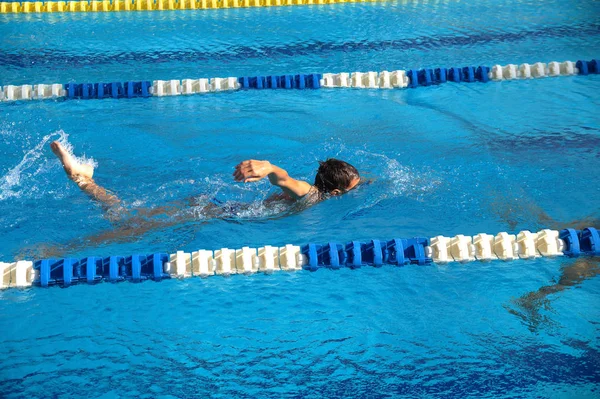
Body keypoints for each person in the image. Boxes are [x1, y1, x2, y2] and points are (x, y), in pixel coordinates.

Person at [49, 140, 361, 218]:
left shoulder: (321, 191)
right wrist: (269, 167)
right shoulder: (310, 194)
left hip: (216, 208)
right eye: (352, 189)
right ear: (334, 192)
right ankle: (83, 181)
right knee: (124, 222)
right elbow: (285, 179)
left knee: (127, 217)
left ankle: (85, 180)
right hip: (216, 213)